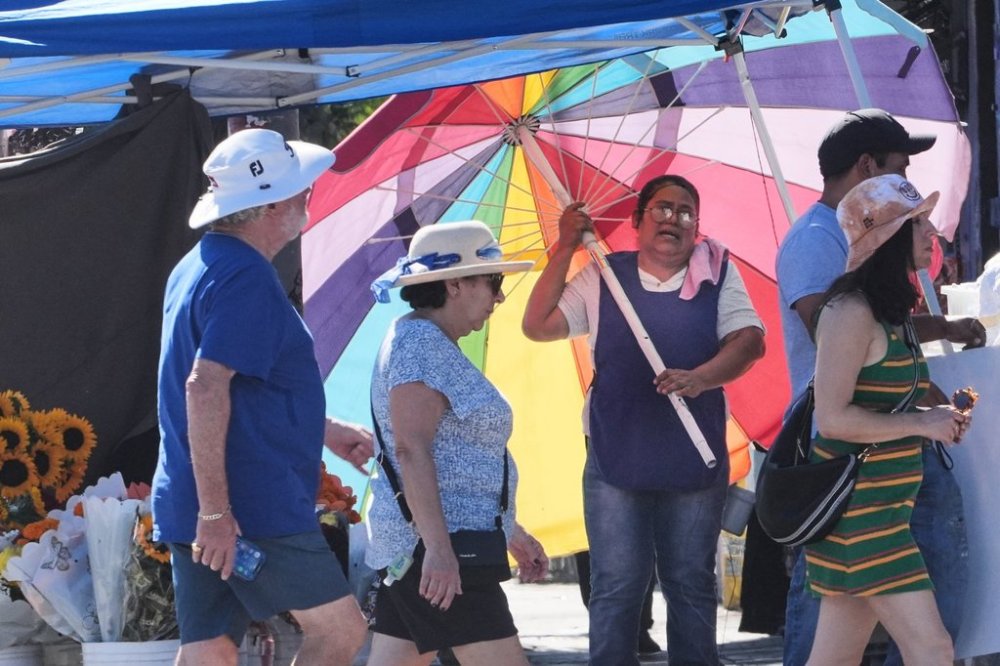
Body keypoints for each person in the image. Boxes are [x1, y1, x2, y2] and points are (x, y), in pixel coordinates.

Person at [522, 175, 766, 666]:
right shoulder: (602, 275)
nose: (673, 218)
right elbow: (538, 325)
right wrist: (566, 245)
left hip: (693, 458)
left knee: (690, 583)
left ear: (697, 228)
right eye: (661, 208)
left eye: (685, 211)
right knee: (616, 585)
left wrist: (700, 378)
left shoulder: (718, 273)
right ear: (636, 222)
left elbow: (749, 342)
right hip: (616, 456)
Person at [152, 128, 374, 666]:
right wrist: (217, 513)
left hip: (202, 499)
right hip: (248, 506)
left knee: (208, 650)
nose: (308, 198)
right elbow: (204, 387)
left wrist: (325, 428)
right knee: (341, 632)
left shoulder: (202, 263)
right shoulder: (245, 276)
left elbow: (243, 383)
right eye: (301, 190)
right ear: (270, 204)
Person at [775, 109, 984, 665]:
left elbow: (883, 387)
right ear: (889, 236)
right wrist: (924, 422)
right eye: (919, 223)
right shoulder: (849, 308)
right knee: (932, 647)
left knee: (834, 657)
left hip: (882, 506)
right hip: (863, 511)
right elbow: (834, 415)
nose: (932, 232)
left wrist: (941, 403)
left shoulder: (887, 310)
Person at [365, 220, 551, 666]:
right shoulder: (420, 344)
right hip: (442, 552)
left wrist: (511, 531)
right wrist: (440, 551)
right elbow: (410, 449)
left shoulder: (425, 341)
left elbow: (457, 456)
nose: (500, 296)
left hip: (430, 548)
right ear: (454, 284)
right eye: (493, 281)